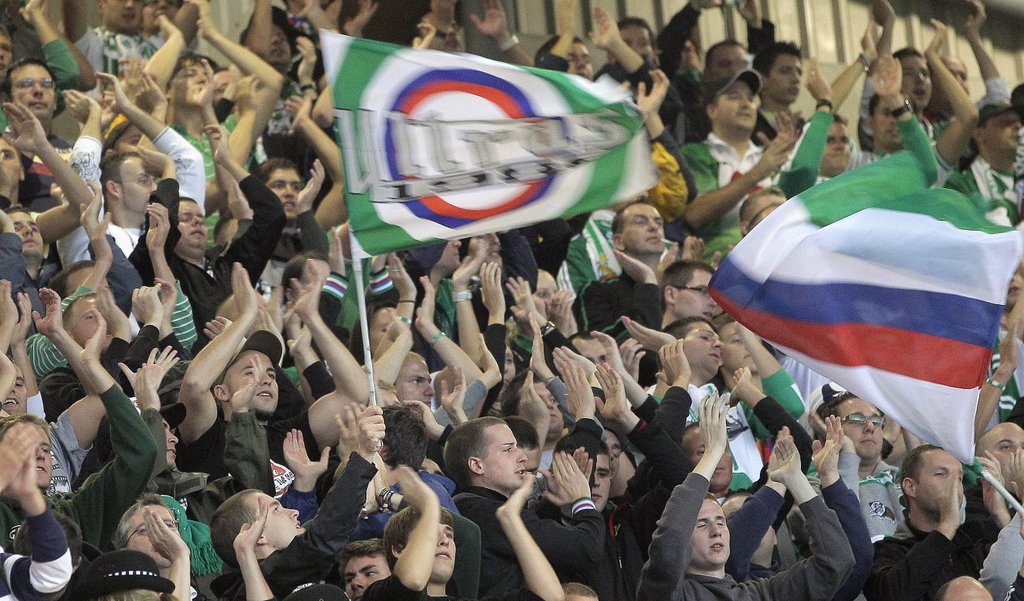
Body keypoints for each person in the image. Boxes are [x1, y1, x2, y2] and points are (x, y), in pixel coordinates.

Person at [634, 392, 855, 601]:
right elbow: (668, 544)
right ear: (684, 537)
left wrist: (796, 480)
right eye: (701, 524)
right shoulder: (666, 591)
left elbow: (836, 561)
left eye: (721, 522)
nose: (716, 531)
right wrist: (712, 453)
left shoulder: (764, 593)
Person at [446, 417, 604, 596]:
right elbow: (588, 549)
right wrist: (582, 499)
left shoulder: (472, 507)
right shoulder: (490, 513)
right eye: (508, 449)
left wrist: (558, 503)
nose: (523, 457)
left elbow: (540, 535)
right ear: (477, 465)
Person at [363, 465, 565, 601]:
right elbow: (412, 580)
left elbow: (550, 597)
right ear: (399, 549)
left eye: (449, 535)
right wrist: (429, 506)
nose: (444, 541)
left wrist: (511, 519)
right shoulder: (380, 594)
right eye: (431, 533)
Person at [864, 444, 1001, 600]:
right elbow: (893, 594)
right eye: (941, 474)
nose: (954, 486)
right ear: (910, 487)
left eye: (959, 478)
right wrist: (947, 526)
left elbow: (1013, 582)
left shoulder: (974, 538)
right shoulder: (885, 552)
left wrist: (1000, 514)